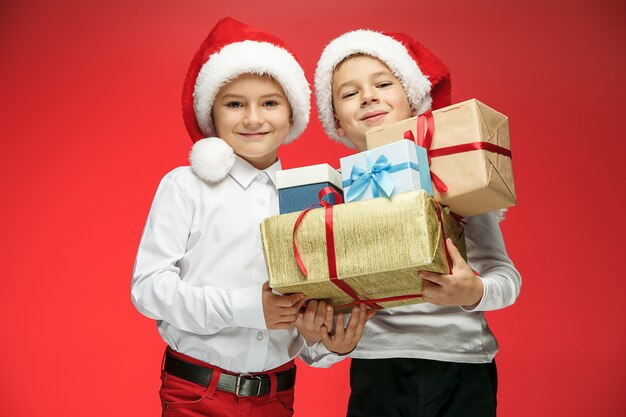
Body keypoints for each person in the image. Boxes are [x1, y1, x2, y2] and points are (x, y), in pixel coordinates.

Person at [131, 18, 369, 417]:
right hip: (196, 391)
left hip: (277, 396)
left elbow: (311, 312)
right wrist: (245, 307)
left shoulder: (316, 196)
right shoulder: (185, 186)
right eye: (235, 103)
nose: (253, 118)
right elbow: (149, 289)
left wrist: (328, 344)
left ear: (292, 113)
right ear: (211, 112)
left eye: (270, 103)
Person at [306, 29, 522, 417]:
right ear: (337, 122)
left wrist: (472, 292)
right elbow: (326, 308)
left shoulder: (454, 177)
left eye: (384, 83)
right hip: (379, 367)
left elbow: (505, 277)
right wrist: (325, 341)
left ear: (413, 98)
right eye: (349, 93)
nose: (368, 96)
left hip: (464, 364)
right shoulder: (326, 197)